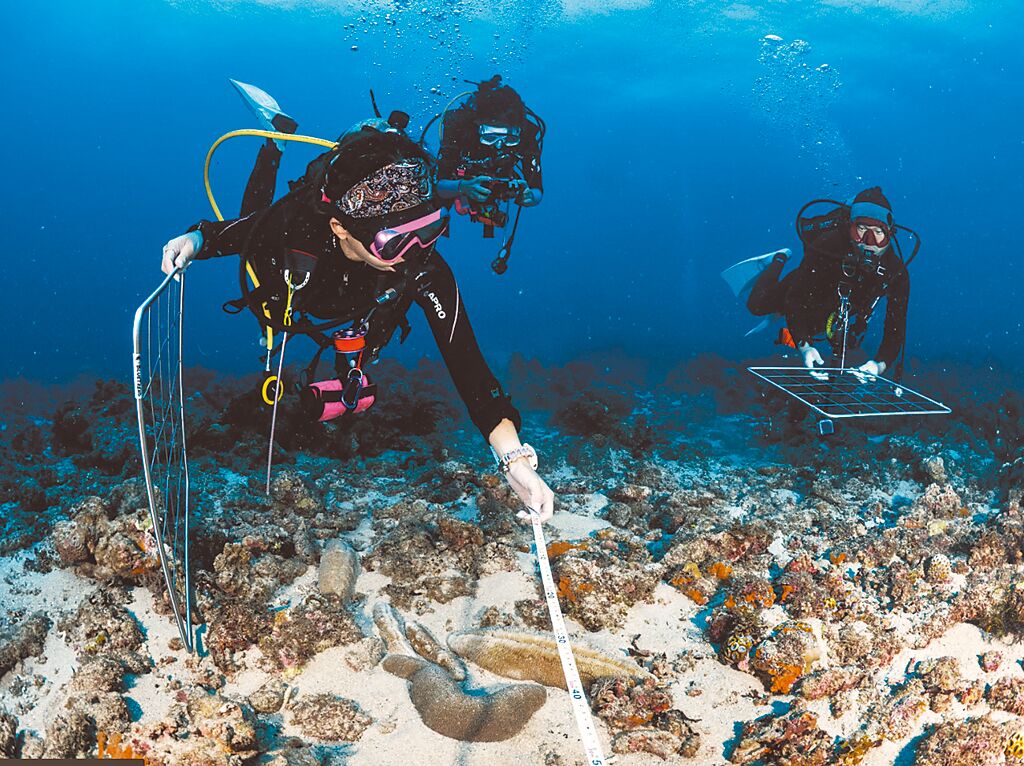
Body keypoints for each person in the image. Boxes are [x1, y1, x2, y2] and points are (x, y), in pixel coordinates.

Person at [160, 105, 555, 524]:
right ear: (341, 228)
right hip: (290, 292)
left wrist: (515, 462)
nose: (415, 253)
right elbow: (232, 233)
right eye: (394, 243)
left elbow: (470, 369)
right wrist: (195, 238)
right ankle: (272, 143)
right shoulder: (298, 227)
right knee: (252, 219)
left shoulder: (422, 266)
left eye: (430, 230)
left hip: (352, 316)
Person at [740, 187, 911, 379]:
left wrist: (879, 365)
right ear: (850, 227)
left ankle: (788, 327)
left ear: (890, 235)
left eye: (879, 232)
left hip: (833, 308)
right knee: (756, 306)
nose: (869, 242)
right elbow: (795, 298)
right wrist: (805, 348)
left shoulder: (896, 273)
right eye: (861, 229)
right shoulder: (826, 246)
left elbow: (896, 330)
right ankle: (779, 259)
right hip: (807, 288)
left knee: (815, 329)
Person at [435, 75, 544, 247]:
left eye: (509, 138)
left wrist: (531, 197)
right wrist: (461, 186)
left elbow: (537, 189)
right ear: (478, 127)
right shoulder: (460, 130)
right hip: (459, 182)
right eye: (490, 136)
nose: (499, 145)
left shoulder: (527, 135)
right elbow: (439, 185)